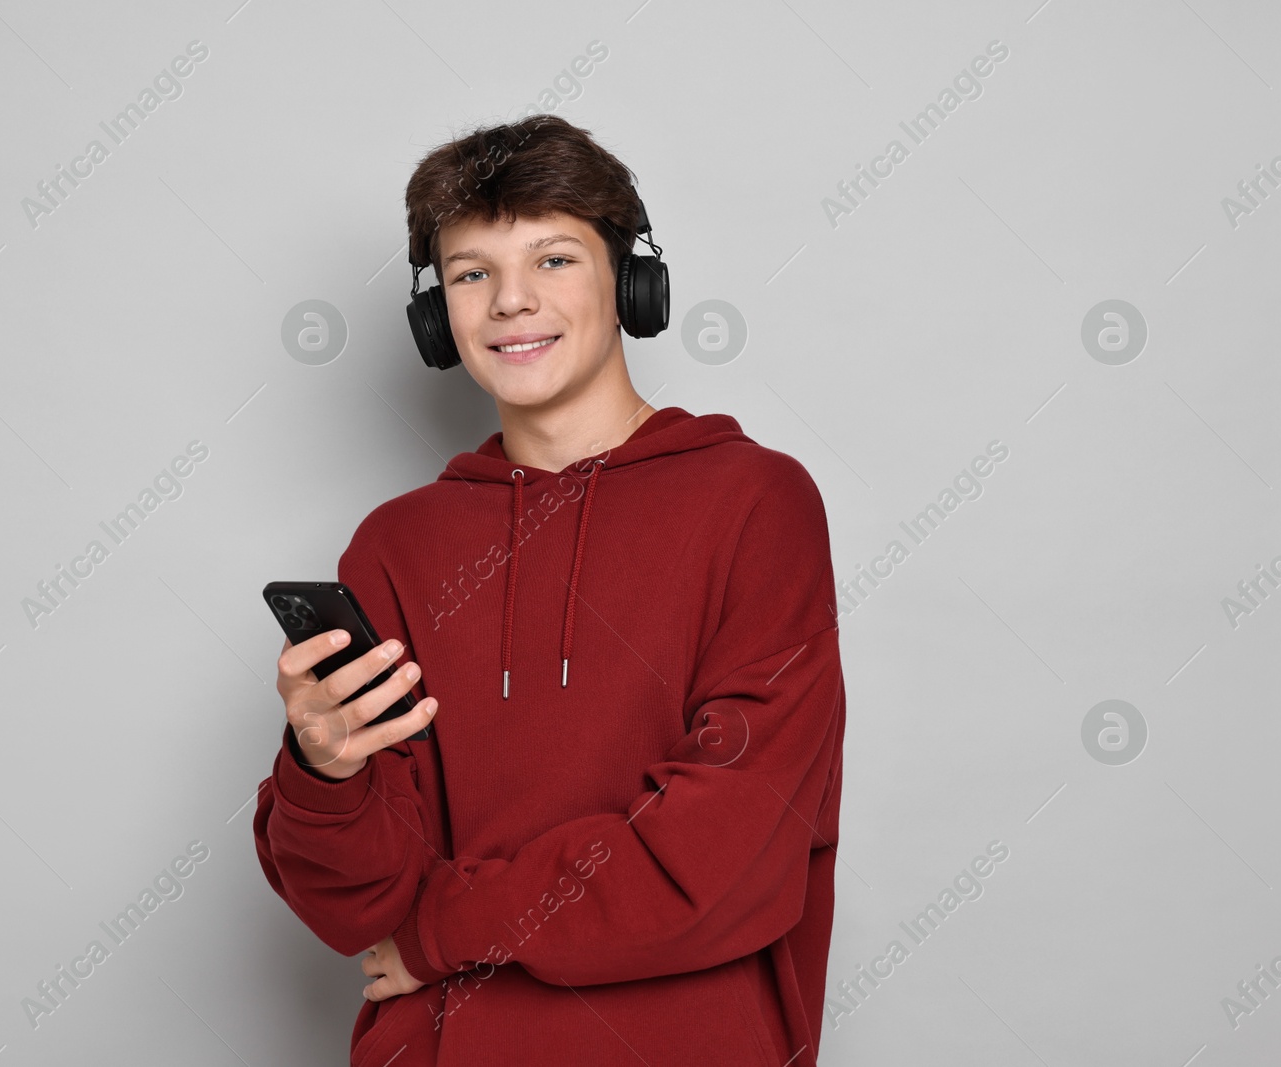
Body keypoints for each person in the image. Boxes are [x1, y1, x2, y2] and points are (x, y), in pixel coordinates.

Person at [253, 114, 846, 1067]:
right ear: (434, 313)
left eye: (555, 258)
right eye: (470, 272)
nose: (510, 302)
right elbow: (354, 909)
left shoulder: (755, 503)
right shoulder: (397, 546)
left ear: (633, 281)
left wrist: (443, 931)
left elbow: (724, 858)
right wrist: (325, 774)